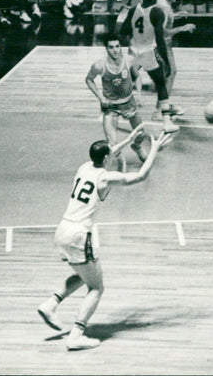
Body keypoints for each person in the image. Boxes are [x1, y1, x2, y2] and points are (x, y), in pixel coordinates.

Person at [36, 127, 173, 350]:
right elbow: (140, 176)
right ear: (107, 157)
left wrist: (128, 140)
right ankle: (76, 335)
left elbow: (108, 154)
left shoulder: (84, 167)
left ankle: (50, 304)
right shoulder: (104, 179)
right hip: (80, 234)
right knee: (97, 287)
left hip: (62, 230)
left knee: (82, 275)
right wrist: (154, 149)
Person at [118, 0, 182, 131]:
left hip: (133, 52)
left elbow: (123, 30)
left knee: (123, 82)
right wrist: (165, 61)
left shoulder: (134, 9)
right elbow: (160, 38)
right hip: (148, 52)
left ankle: (113, 113)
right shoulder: (156, 12)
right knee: (160, 84)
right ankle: (166, 122)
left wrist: (133, 37)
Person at [85, 33, 149, 164]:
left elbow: (137, 77)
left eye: (117, 46)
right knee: (113, 145)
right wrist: (100, 97)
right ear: (106, 49)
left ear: (121, 47)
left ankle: (136, 146)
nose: (115, 50)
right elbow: (89, 80)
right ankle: (120, 165)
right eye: (111, 47)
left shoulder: (130, 60)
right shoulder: (99, 66)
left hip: (128, 103)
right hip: (110, 107)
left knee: (141, 134)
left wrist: (139, 95)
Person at [156, 0, 196, 94]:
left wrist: (176, 15)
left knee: (164, 71)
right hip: (163, 43)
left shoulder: (160, 0)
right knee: (172, 71)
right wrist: (182, 28)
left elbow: (163, 18)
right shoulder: (165, 7)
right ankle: (164, 103)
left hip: (154, 42)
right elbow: (162, 31)